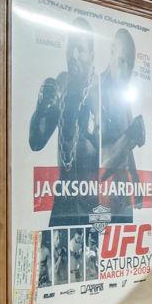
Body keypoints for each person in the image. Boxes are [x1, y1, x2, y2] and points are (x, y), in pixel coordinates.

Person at [27, 30, 101, 227]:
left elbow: (110, 156)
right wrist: (41, 110)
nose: (73, 55)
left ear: (92, 56)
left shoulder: (100, 89)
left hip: (94, 199)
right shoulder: (62, 82)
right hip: (64, 197)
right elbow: (36, 142)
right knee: (49, 257)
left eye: (80, 50)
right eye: (71, 48)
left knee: (94, 255)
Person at [97, 26, 147, 221]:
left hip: (123, 193)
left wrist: (136, 184)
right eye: (122, 61)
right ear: (111, 52)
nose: (125, 71)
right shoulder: (96, 91)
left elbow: (128, 148)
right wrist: (131, 135)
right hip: (100, 195)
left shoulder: (122, 97)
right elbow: (100, 161)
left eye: (130, 65)